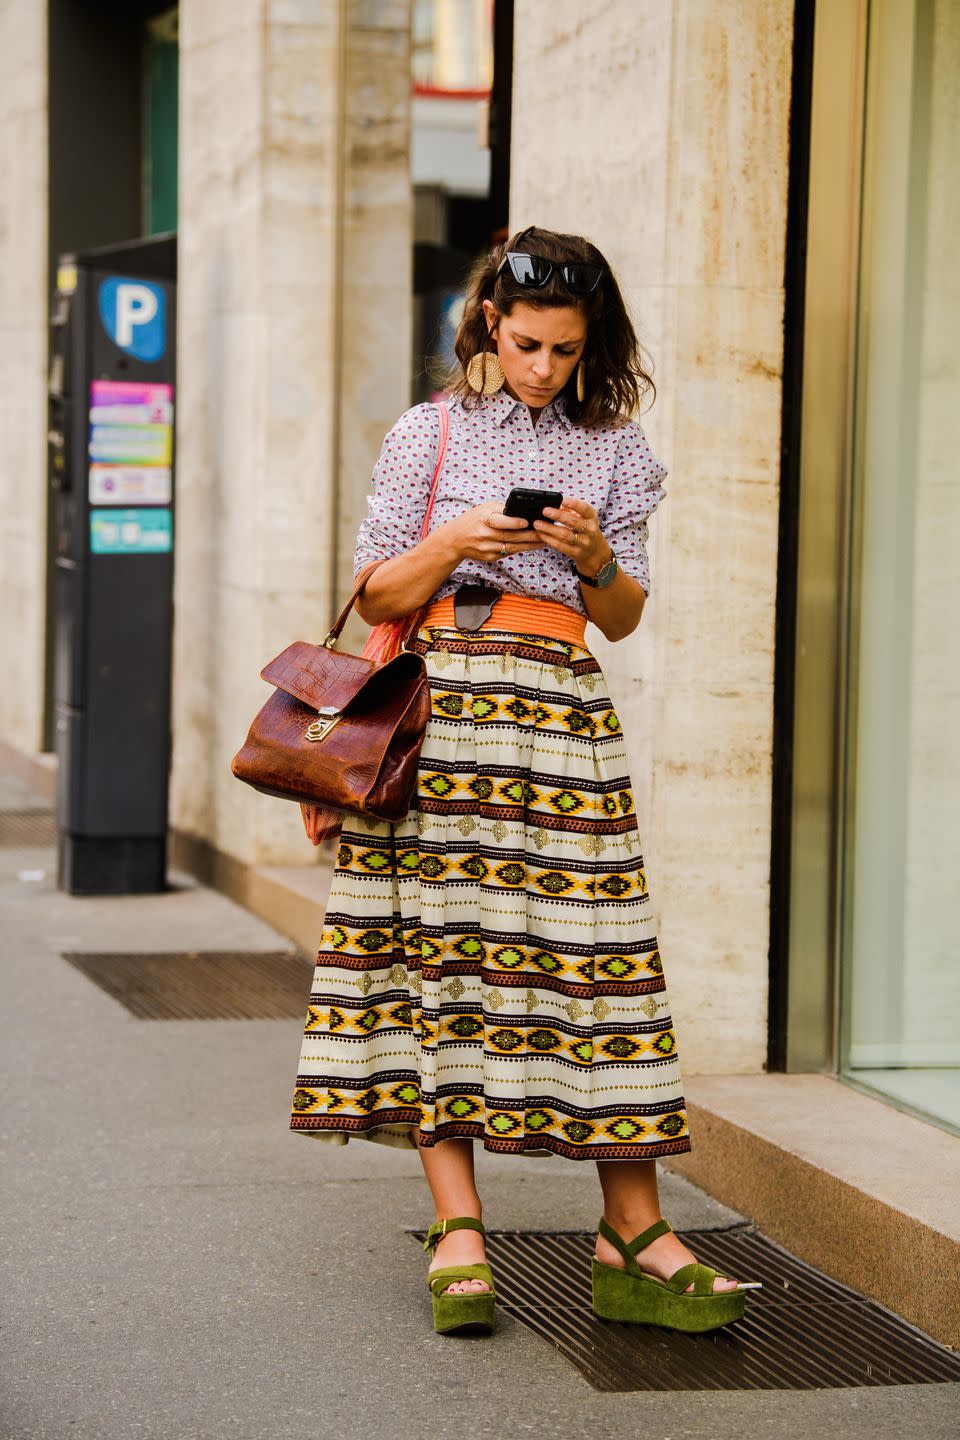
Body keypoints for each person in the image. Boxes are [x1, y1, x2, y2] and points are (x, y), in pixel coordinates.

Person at [290, 225, 758, 1335]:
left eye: (566, 349)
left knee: (598, 966)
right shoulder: (430, 432)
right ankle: (459, 1227)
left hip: (559, 721)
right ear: (491, 323)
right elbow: (374, 584)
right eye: (529, 343)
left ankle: (632, 1232)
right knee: (439, 963)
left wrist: (593, 555)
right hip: (439, 716)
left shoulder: (616, 449)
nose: (545, 368)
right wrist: (456, 540)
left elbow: (625, 616)